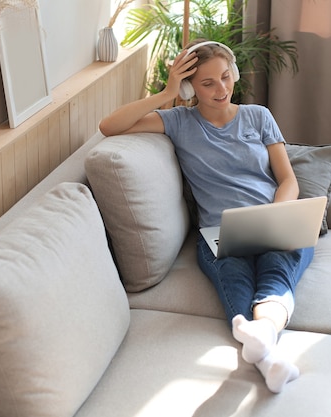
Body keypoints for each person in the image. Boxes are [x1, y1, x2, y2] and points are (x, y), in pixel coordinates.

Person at [99, 39, 314, 393]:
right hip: (220, 231)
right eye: (207, 83)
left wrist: (278, 214)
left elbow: (287, 178)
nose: (222, 89)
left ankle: (265, 349)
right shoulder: (179, 122)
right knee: (236, 284)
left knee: (276, 275)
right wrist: (167, 92)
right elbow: (109, 126)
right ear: (190, 87)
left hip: (273, 218)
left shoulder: (258, 116)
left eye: (226, 78)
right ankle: (268, 353)